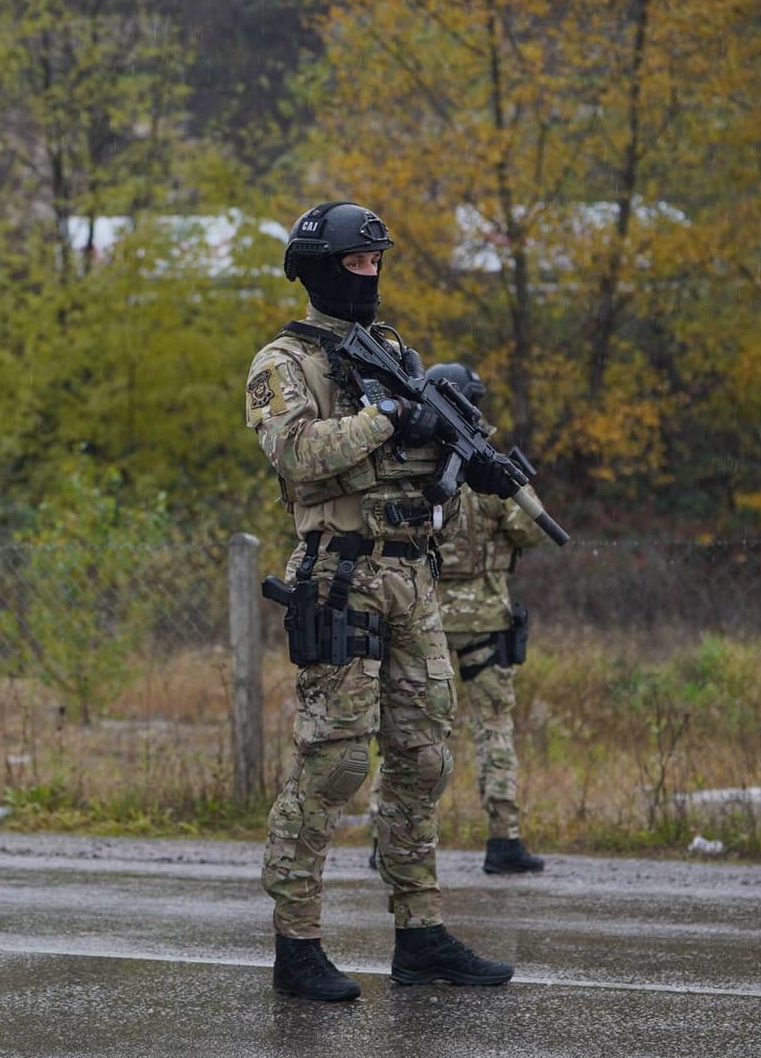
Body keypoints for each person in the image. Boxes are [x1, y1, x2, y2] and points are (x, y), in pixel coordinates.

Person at [246, 200, 516, 1002]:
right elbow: (295, 453)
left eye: (375, 265)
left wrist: (467, 464)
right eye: (355, 266)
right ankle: (296, 944)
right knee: (331, 761)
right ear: (319, 270)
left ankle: (420, 932)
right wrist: (385, 417)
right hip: (341, 572)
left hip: (413, 573)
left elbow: (426, 454)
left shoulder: (392, 348)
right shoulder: (283, 361)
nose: (368, 277)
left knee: (423, 758)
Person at [426, 363, 551, 875]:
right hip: (483, 619)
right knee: (493, 729)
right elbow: (532, 529)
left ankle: (387, 833)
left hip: (424, 616)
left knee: (412, 732)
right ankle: (503, 840)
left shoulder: (417, 461)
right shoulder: (487, 467)